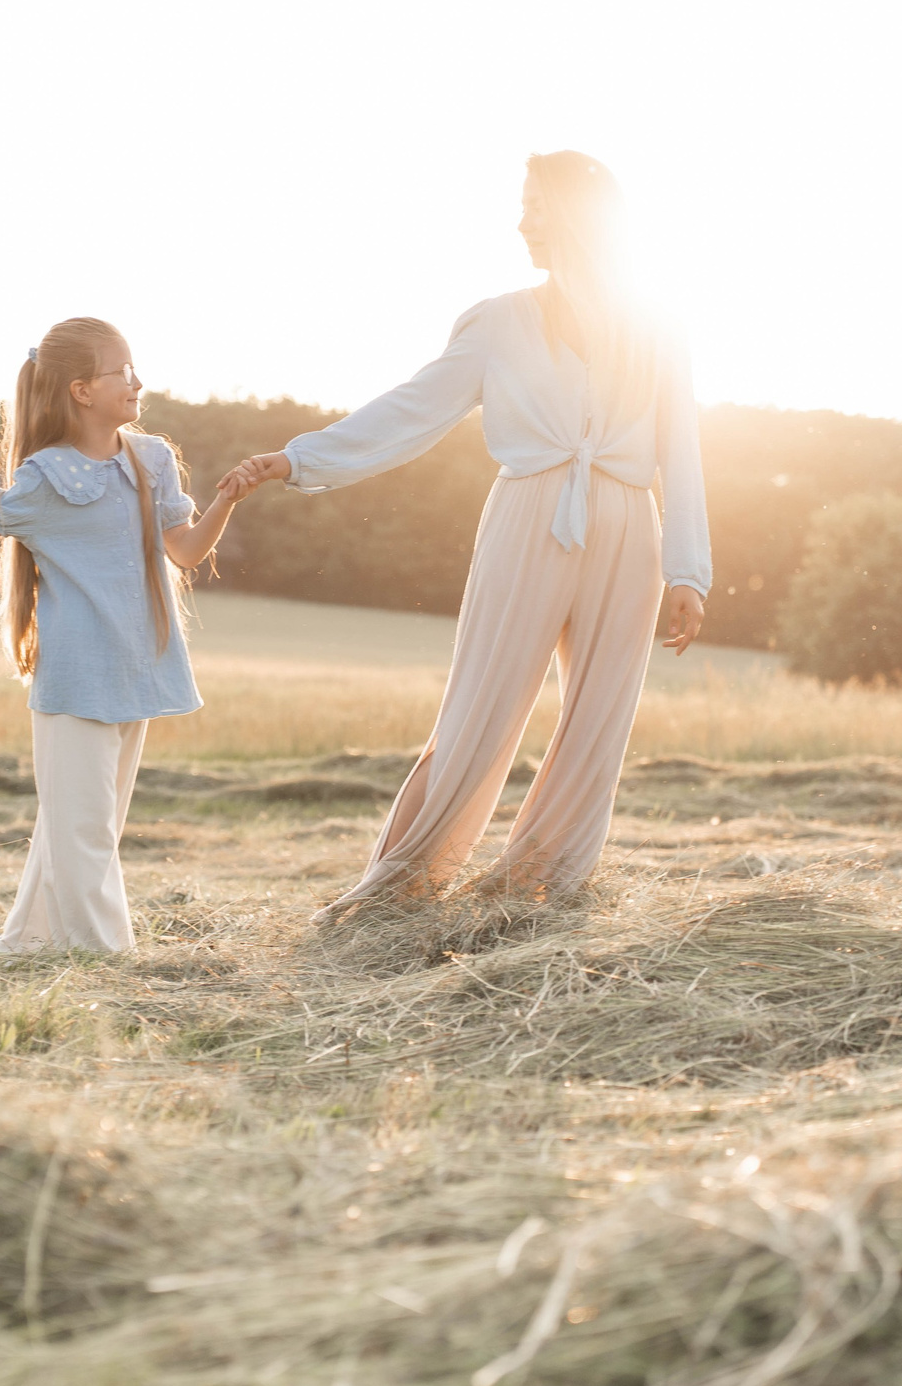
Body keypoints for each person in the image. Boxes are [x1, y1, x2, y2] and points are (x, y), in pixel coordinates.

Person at [225, 152, 711, 919]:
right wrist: (301, 458)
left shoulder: (659, 326)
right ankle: (397, 890)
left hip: (628, 524)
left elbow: (682, 449)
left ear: (580, 216)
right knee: (478, 712)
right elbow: (411, 409)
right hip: (529, 516)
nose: (522, 221)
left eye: (537, 205)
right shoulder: (498, 321)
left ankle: (542, 889)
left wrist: (688, 571)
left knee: (598, 721)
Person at [0, 319, 249, 953]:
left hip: (138, 665)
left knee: (91, 827)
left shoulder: (152, 459)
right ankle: (104, 958)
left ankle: (32, 941)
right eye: (123, 371)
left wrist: (226, 500)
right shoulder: (45, 478)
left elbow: (186, 551)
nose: (138, 382)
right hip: (77, 674)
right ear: (82, 390)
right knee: (81, 829)